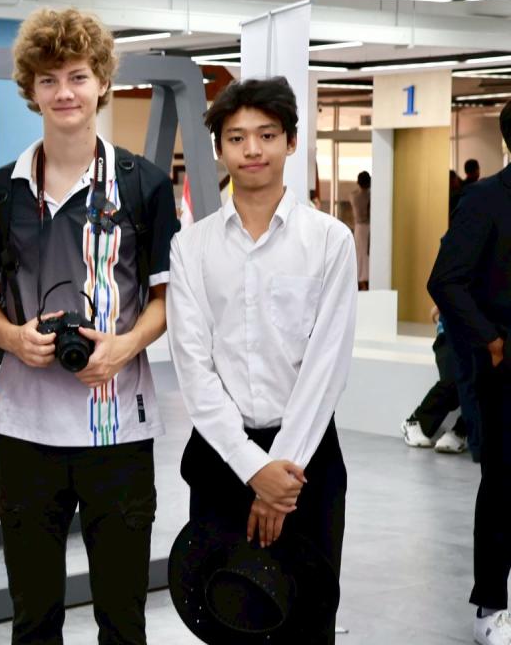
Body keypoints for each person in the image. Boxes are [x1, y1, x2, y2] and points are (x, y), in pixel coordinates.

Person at [0, 7, 179, 644]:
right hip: (26, 430)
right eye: (49, 79)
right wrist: (13, 338)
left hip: (119, 431)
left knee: (123, 616)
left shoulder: (144, 186)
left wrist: (124, 346)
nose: (65, 92)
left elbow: (166, 300)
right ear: (31, 90)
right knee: (33, 617)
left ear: (102, 83)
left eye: (78, 77)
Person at [167, 77, 357, 644]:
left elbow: (326, 365)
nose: (253, 149)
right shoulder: (192, 246)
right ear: (220, 149)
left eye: (267, 135)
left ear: (291, 142)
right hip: (222, 459)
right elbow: (193, 366)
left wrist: (281, 475)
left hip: (307, 464)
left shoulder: (329, 240)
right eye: (237, 138)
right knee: (227, 616)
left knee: (305, 619)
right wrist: (254, 468)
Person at [428, 101, 511, 645]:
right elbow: (446, 280)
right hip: (505, 375)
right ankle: (491, 606)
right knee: (502, 489)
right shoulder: (485, 200)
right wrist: (492, 341)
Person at [400, 306, 469, 454]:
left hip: (485, 339)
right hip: (452, 334)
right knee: (453, 379)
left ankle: (461, 431)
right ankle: (416, 423)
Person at [350, 170, 370, 290]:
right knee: (366, 256)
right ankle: (364, 281)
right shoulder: (369, 195)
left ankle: (361, 281)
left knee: (360, 255)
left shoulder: (353, 196)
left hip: (358, 228)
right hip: (367, 227)